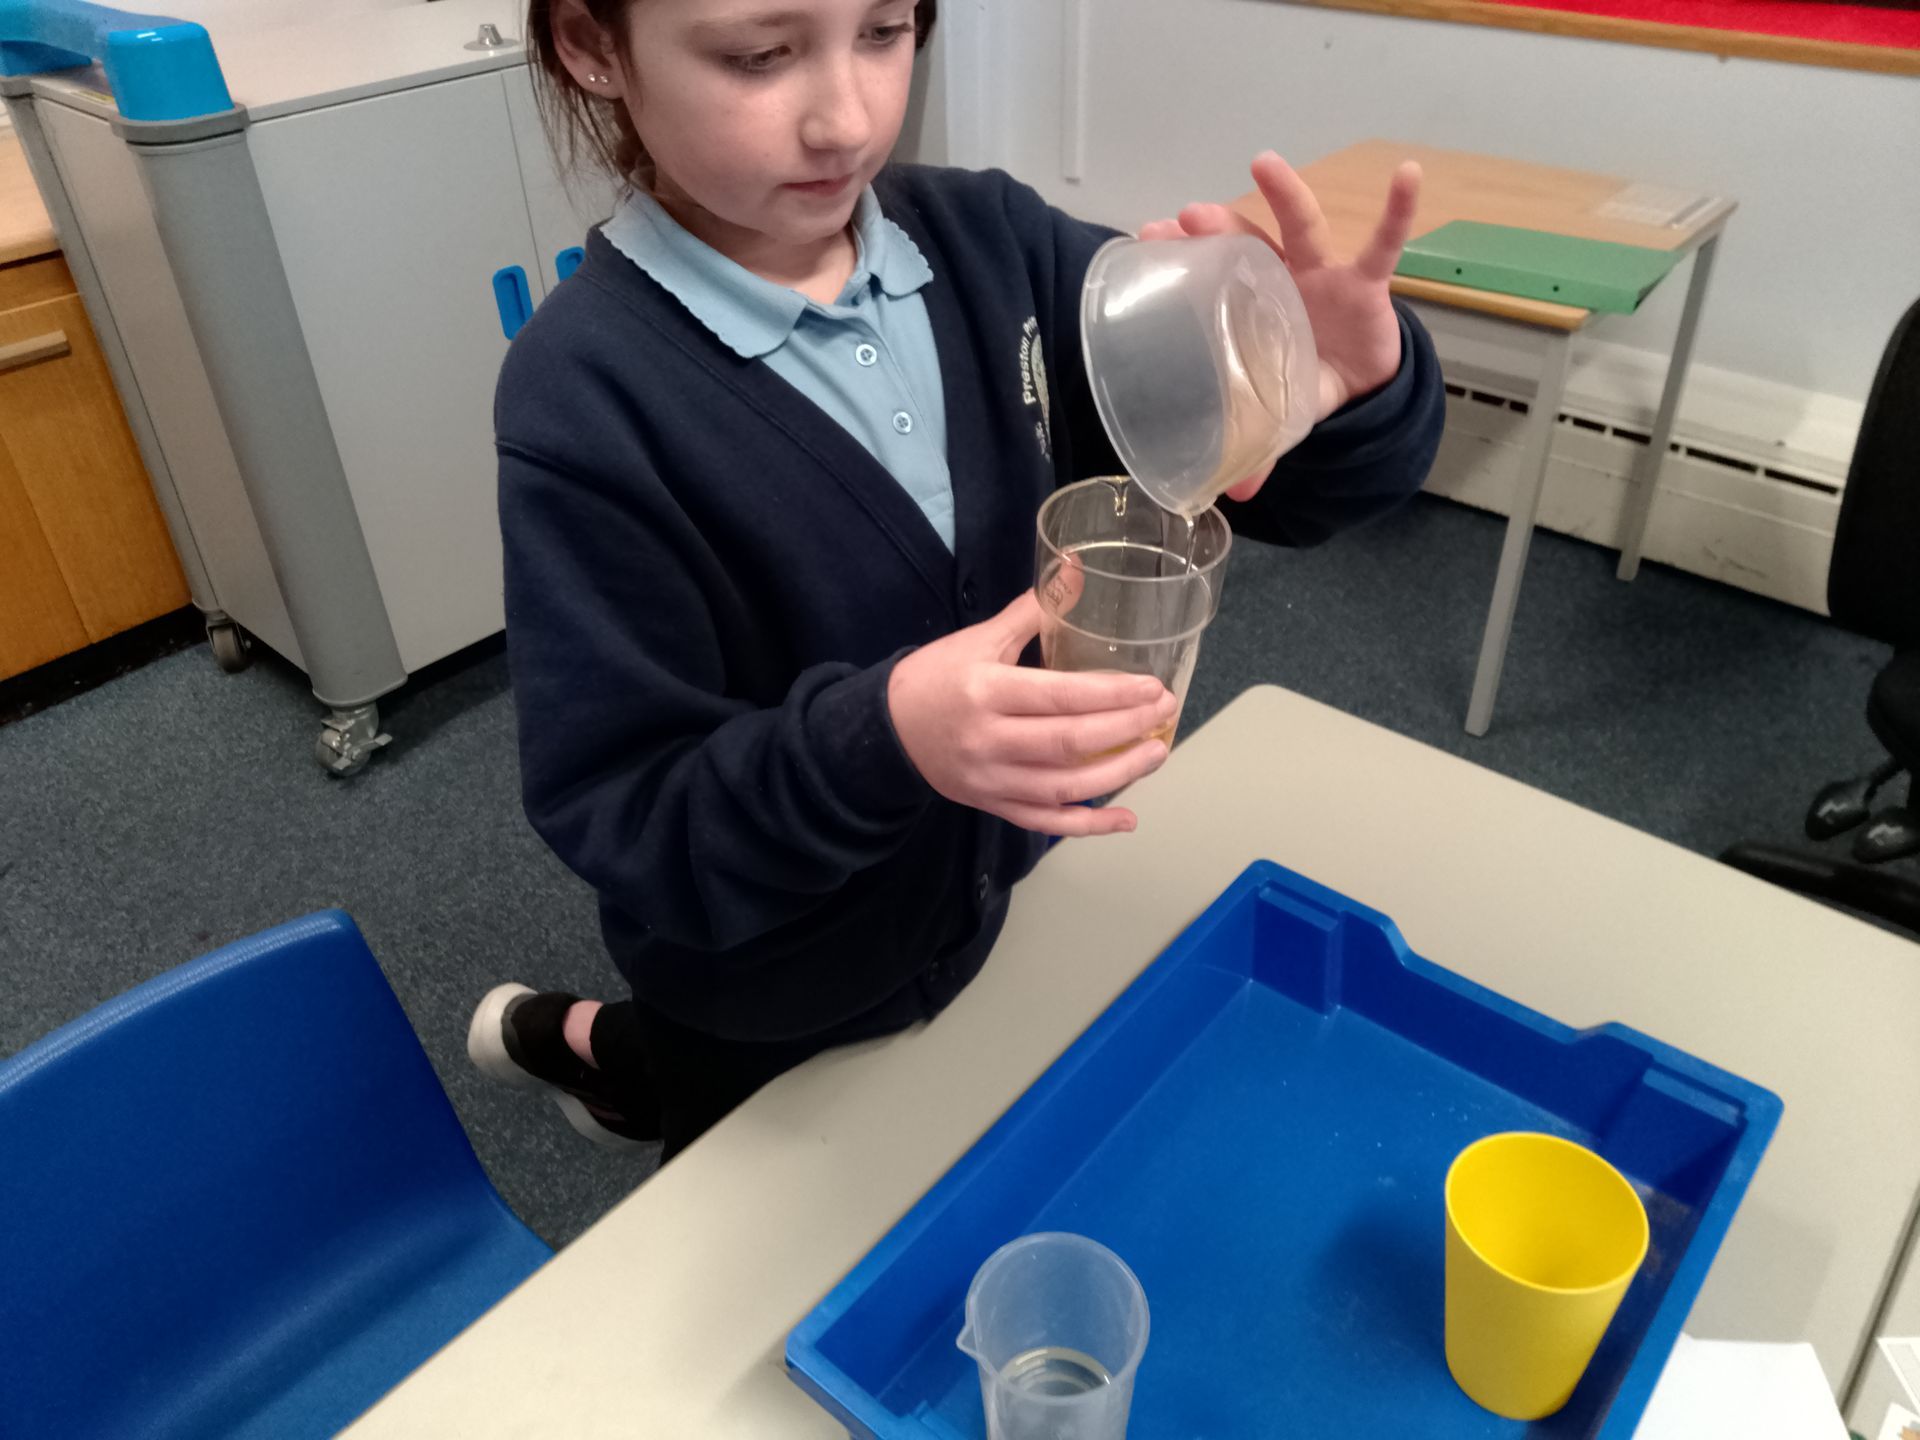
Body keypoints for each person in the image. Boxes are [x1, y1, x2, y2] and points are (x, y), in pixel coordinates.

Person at [467, 0, 1447, 1159]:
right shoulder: (584, 398)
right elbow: (632, 817)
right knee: (745, 1156)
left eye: (886, 31)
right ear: (593, 45)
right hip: (770, 986)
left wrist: (1333, 385)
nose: (848, 120)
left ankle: (588, 1046)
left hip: (995, 911)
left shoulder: (995, 243)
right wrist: (882, 742)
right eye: (759, 55)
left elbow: (1258, 488)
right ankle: (604, 1056)